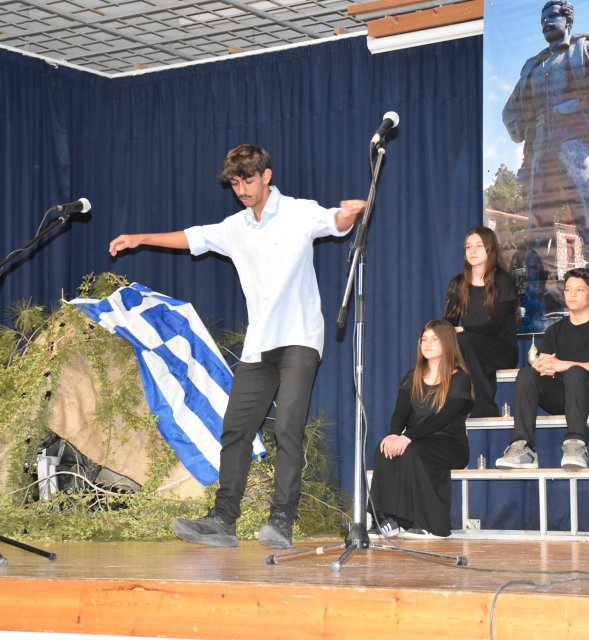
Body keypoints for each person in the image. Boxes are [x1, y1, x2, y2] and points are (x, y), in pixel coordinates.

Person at [109, 144, 365, 549]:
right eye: (234, 183)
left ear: (266, 176)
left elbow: (333, 220)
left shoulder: (297, 212)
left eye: (248, 180)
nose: (242, 190)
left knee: (287, 427)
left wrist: (348, 214)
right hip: (259, 345)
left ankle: (281, 520)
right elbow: (193, 237)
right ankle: (223, 519)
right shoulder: (235, 227)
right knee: (235, 429)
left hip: (299, 337)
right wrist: (140, 238)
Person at [502, 1, 589, 319]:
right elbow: (510, 110)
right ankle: (535, 296)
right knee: (537, 224)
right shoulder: (533, 66)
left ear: (568, 21)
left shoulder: (587, 49)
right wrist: (523, 129)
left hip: (576, 143)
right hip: (540, 150)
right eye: (543, 18)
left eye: (553, 16)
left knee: (587, 211)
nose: (547, 22)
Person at [496, 268, 589, 470]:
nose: (572, 294)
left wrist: (563, 364)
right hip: (564, 396)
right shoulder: (554, 330)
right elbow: (546, 365)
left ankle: (576, 444)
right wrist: (539, 365)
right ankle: (523, 447)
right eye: (568, 289)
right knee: (527, 373)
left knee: (575, 372)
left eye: (579, 290)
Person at [367, 319, 473, 539]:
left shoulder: (460, 378)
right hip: (416, 440)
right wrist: (393, 434)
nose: (428, 343)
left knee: (414, 452)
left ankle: (428, 524)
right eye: (424, 339)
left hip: (449, 443)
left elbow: (443, 417)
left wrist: (407, 437)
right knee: (384, 450)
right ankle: (388, 519)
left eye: (435, 339)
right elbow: (400, 412)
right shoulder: (412, 377)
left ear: (448, 342)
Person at [444, 227, 519, 417]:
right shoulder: (458, 283)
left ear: (490, 249)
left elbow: (495, 325)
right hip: (469, 346)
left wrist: (464, 329)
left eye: (478, 246)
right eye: (468, 247)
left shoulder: (503, 280)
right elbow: (449, 321)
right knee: (439, 342)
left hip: (501, 348)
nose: (472, 251)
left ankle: (484, 407)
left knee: (465, 340)